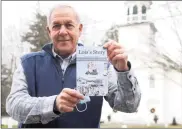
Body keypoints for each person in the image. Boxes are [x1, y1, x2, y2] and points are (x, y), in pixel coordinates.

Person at [6, 4, 141, 128]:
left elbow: (129, 106)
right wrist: (54, 104)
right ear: (49, 31)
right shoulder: (29, 63)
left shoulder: (96, 62)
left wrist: (123, 71)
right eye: (56, 26)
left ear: (79, 29)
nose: (63, 31)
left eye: (69, 25)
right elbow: (13, 106)